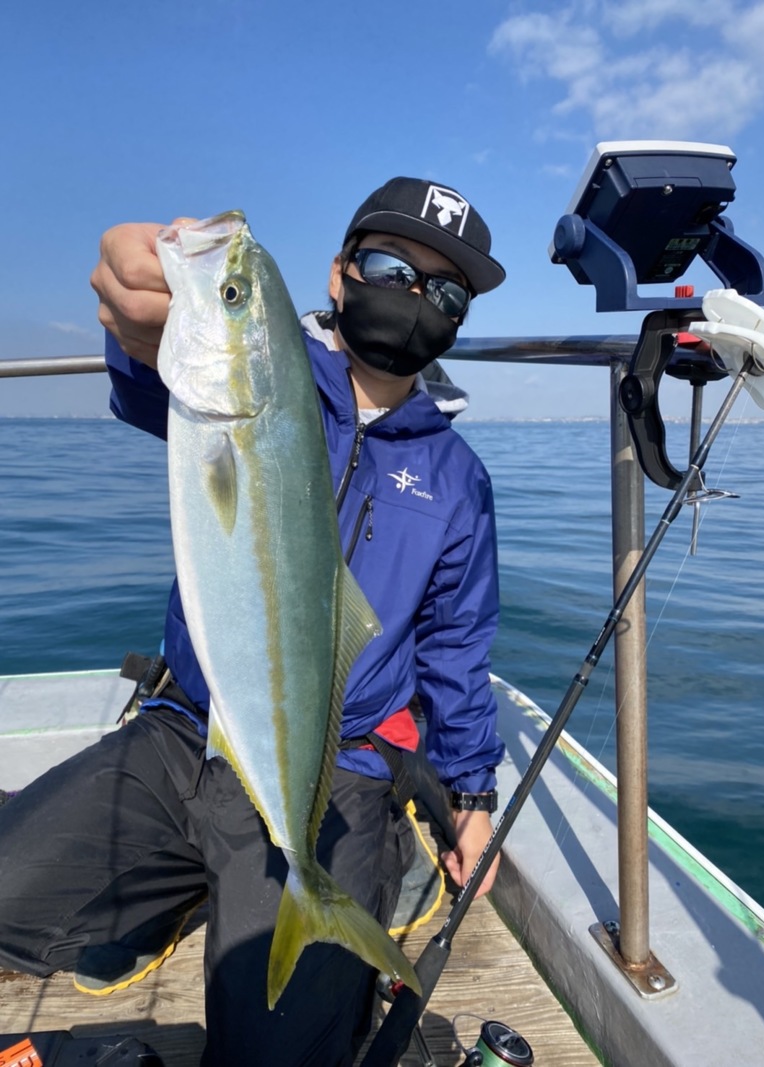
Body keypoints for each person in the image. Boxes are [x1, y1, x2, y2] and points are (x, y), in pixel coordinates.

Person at [0, 177, 506, 1065]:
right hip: (182, 730)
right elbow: (148, 343)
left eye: (446, 289)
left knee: (283, 1051)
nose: (416, 296)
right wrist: (146, 283)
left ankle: (260, 889)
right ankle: (174, 894)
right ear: (340, 274)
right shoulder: (261, 372)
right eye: (392, 265)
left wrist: (470, 796)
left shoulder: (458, 478)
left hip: (337, 769)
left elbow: (458, 648)